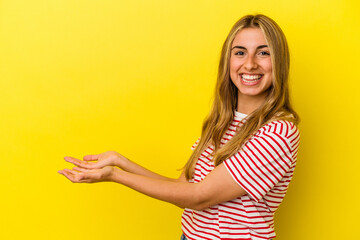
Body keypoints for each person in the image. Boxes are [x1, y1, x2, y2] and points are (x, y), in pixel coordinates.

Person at [58, 14, 300, 240]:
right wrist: (120, 161)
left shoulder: (277, 132)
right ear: (228, 61)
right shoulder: (222, 121)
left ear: (278, 62)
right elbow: (184, 189)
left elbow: (199, 197)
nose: (249, 64)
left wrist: (114, 176)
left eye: (263, 53)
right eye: (240, 53)